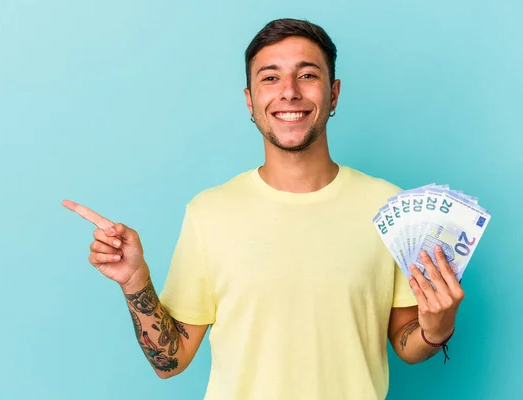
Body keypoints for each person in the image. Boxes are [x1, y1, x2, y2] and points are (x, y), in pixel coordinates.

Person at [62, 18, 465, 400]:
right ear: (250, 100)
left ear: (334, 92)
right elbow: (171, 360)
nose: (289, 91)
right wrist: (135, 281)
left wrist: (436, 328)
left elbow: (406, 343)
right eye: (270, 78)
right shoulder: (209, 213)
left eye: (307, 75)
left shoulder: (388, 208)